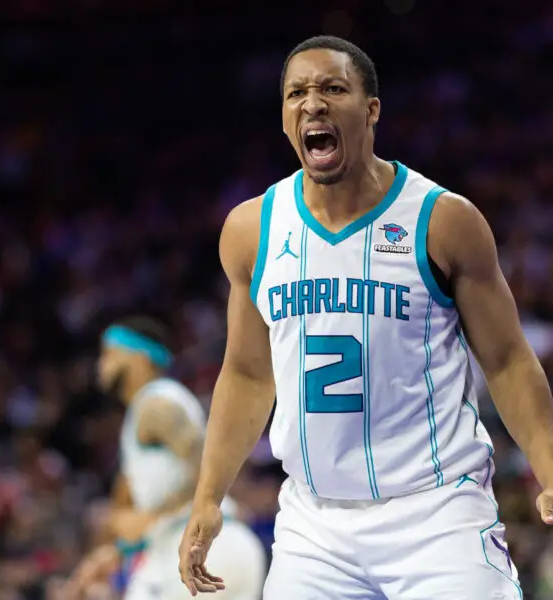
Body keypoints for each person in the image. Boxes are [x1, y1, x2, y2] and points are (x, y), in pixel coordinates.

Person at [178, 35, 553, 599]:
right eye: (296, 93)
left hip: (437, 511)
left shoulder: (442, 220)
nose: (313, 104)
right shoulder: (252, 230)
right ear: (284, 118)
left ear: (372, 109)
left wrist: (549, 466)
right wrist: (208, 496)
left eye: (333, 88)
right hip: (314, 524)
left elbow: (505, 360)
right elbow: (249, 374)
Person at [64, 316, 266, 600]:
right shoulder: (140, 417)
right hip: (176, 551)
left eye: (109, 353)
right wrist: (108, 553)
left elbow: (207, 466)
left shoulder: (158, 405)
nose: (101, 364)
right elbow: (126, 510)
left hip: (207, 551)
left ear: (140, 357)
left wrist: (151, 518)